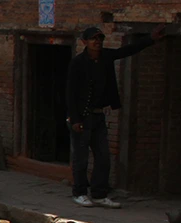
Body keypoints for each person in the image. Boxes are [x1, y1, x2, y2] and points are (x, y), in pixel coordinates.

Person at [66, 25, 165, 208]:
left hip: (98, 116)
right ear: (84, 42)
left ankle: (99, 193)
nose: (97, 42)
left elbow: (127, 50)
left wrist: (150, 39)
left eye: (100, 39)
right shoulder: (78, 63)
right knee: (81, 158)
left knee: (103, 156)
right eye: (93, 39)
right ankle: (79, 192)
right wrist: (75, 119)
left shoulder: (106, 57)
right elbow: (71, 93)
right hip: (82, 117)